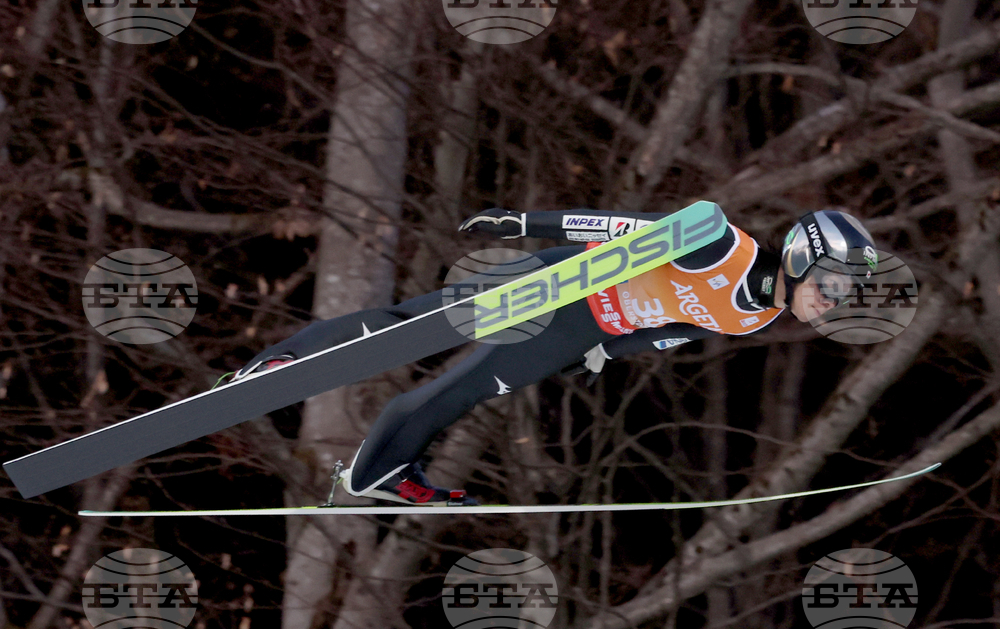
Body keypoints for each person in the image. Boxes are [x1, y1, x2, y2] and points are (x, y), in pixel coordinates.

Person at [234, 206, 878, 506]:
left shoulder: (756, 314)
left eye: (844, 296)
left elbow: (675, 328)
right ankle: (281, 363)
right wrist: (525, 224)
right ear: (799, 258)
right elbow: (617, 228)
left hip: (582, 330)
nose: (833, 304)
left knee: (465, 392)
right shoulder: (721, 243)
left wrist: (603, 353)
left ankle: (378, 470)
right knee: (416, 324)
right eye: (832, 286)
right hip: (567, 282)